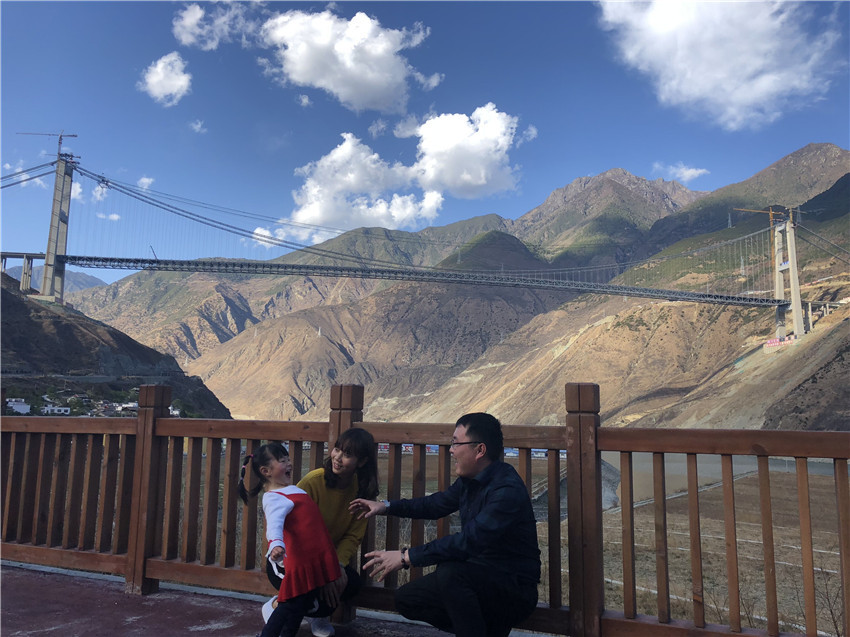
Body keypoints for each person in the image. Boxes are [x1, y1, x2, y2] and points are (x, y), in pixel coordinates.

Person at [349, 413, 540, 637]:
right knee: (407, 599)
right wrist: (386, 506)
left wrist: (405, 557)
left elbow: (469, 541)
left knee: (451, 573)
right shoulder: (469, 481)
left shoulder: (506, 490)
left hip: (513, 588)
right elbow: (434, 505)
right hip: (476, 577)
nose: (451, 450)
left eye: (456, 443)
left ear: (480, 450)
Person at [237, 442, 357, 637]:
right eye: (282, 461)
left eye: (288, 459)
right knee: (290, 603)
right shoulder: (274, 497)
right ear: (266, 471)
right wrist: (276, 544)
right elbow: (274, 524)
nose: (289, 464)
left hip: (311, 560)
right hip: (297, 562)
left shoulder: (292, 490)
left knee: (299, 603)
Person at [292, 428, 380, 637]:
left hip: (329, 560)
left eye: (347, 454)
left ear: (362, 461)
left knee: (350, 583)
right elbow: (295, 529)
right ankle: (280, 606)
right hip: (297, 557)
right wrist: (323, 570)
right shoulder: (313, 482)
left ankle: (319, 615)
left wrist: (337, 566)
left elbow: (353, 536)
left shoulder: (362, 490)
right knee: (315, 581)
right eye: (337, 449)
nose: (337, 458)